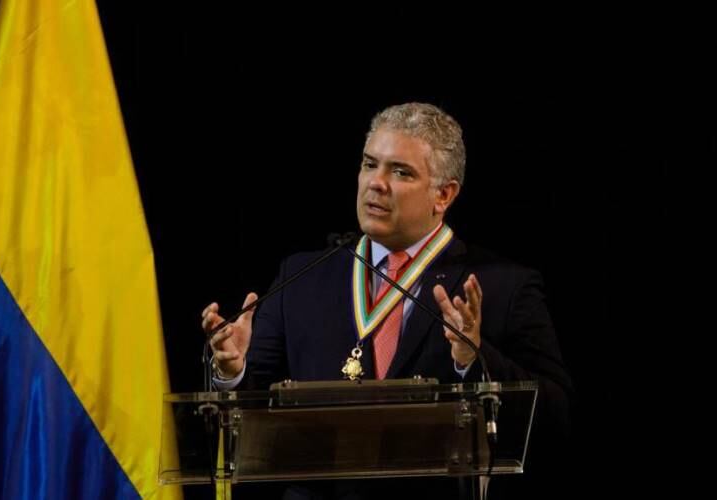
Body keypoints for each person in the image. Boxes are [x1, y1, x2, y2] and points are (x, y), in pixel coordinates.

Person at [201, 102, 572, 499]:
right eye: (369, 164)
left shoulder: (502, 287)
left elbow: (556, 415)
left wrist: (476, 360)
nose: (376, 183)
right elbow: (249, 417)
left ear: (443, 195)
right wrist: (232, 372)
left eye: (400, 172)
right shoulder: (301, 278)